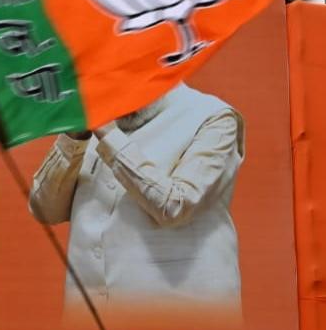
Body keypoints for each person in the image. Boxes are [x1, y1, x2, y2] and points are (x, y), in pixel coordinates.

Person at [28, 83, 245, 314]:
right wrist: (73, 138)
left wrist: (109, 136)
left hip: (182, 316)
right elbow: (45, 210)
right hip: (92, 320)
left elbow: (176, 207)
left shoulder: (213, 116)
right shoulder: (94, 115)